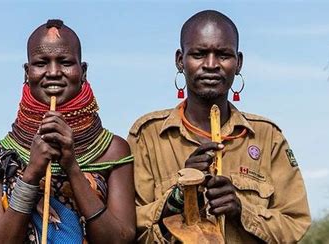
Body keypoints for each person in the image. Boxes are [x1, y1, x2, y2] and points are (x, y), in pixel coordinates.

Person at [128, 10, 311, 243]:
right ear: (180, 60)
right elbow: (127, 227)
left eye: (223, 54)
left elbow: (296, 222)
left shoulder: (267, 137)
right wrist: (179, 195)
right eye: (199, 54)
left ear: (238, 63)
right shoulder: (148, 135)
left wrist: (242, 211)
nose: (211, 64)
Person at [0, 19, 135, 244]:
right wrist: (31, 174)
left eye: (65, 62)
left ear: (83, 71)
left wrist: (71, 166)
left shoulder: (113, 151)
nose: (53, 72)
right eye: (41, 63)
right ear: (27, 72)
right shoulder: (3, 157)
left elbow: (120, 240)